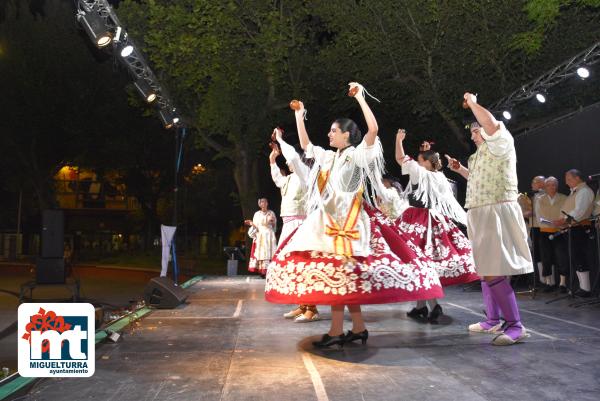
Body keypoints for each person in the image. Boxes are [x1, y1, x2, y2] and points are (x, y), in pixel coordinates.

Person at [265, 83, 443, 348]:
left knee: (343, 277)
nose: (329, 134)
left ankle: (339, 331)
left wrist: (360, 97)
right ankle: (356, 328)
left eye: (334, 131)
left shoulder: (358, 155)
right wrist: (299, 116)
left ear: (347, 135)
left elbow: (373, 130)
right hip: (331, 220)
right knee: (343, 278)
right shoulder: (330, 157)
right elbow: (306, 145)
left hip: (351, 221)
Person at [446, 92, 532, 346]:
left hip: (496, 211)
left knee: (494, 271)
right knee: (487, 271)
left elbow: (491, 124)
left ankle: (516, 326)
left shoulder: (501, 138)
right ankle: (494, 318)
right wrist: (460, 169)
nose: (473, 135)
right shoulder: (481, 154)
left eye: (475, 131)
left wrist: (472, 101)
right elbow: (478, 178)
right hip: (481, 212)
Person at [395, 130, 478, 324]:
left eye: (418, 160)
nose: (415, 162)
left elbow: (400, 158)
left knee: (420, 264)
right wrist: (427, 153)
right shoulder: (440, 177)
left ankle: (433, 306)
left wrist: (399, 140)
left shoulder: (420, 172)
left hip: (418, 221)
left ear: (425, 162)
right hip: (436, 220)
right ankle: (420, 307)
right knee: (424, 264)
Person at [269, 129, 320, 323]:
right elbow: (277, 179)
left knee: (304, 265)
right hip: (289, 224)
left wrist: (281, 140)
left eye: (291, 159)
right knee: (293, 266)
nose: (288, 162)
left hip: (301, 224)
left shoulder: (305, 174)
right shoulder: (290, 178)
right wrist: (273, 160)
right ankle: (303, 304)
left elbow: (295, 160)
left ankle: (312, 308)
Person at [553, 169, 596, 297]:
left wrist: (564, 219)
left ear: (577, 178)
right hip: (572, 228)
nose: (566, 183)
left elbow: (580, 211)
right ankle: (580, 287)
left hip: (580, 229)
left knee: (579, 257)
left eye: (569, 179)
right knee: (575, 258)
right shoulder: (575, 192)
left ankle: (585, 289)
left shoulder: (584, 191)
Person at [537, 177, 567, 291]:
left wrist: (559, 222)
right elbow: (539, 217)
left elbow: (565, 213)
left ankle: (562, 283)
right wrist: (551, 223)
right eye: (548, 185)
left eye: (553, 185)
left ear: (557, 186)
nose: (551, 187)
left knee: (561, 257)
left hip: (560, 231)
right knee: (546, 257)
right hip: (545, 232)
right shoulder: (539, 199)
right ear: (545, 186)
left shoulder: (564, 198)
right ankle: (549, 283)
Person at [245, 198, 277, 276]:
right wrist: (252, 224)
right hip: (260, 234)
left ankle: (270, 270)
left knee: (270, 252)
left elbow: (274, 225)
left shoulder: (271, 213)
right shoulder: (257, 214)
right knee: (262, 252)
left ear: (267, 203)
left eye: (265, 202)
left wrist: (272, 221)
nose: (264, 203)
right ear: (259, 204)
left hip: (269, 235)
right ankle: (262, 271)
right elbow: (256, 226)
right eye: (262, 202)